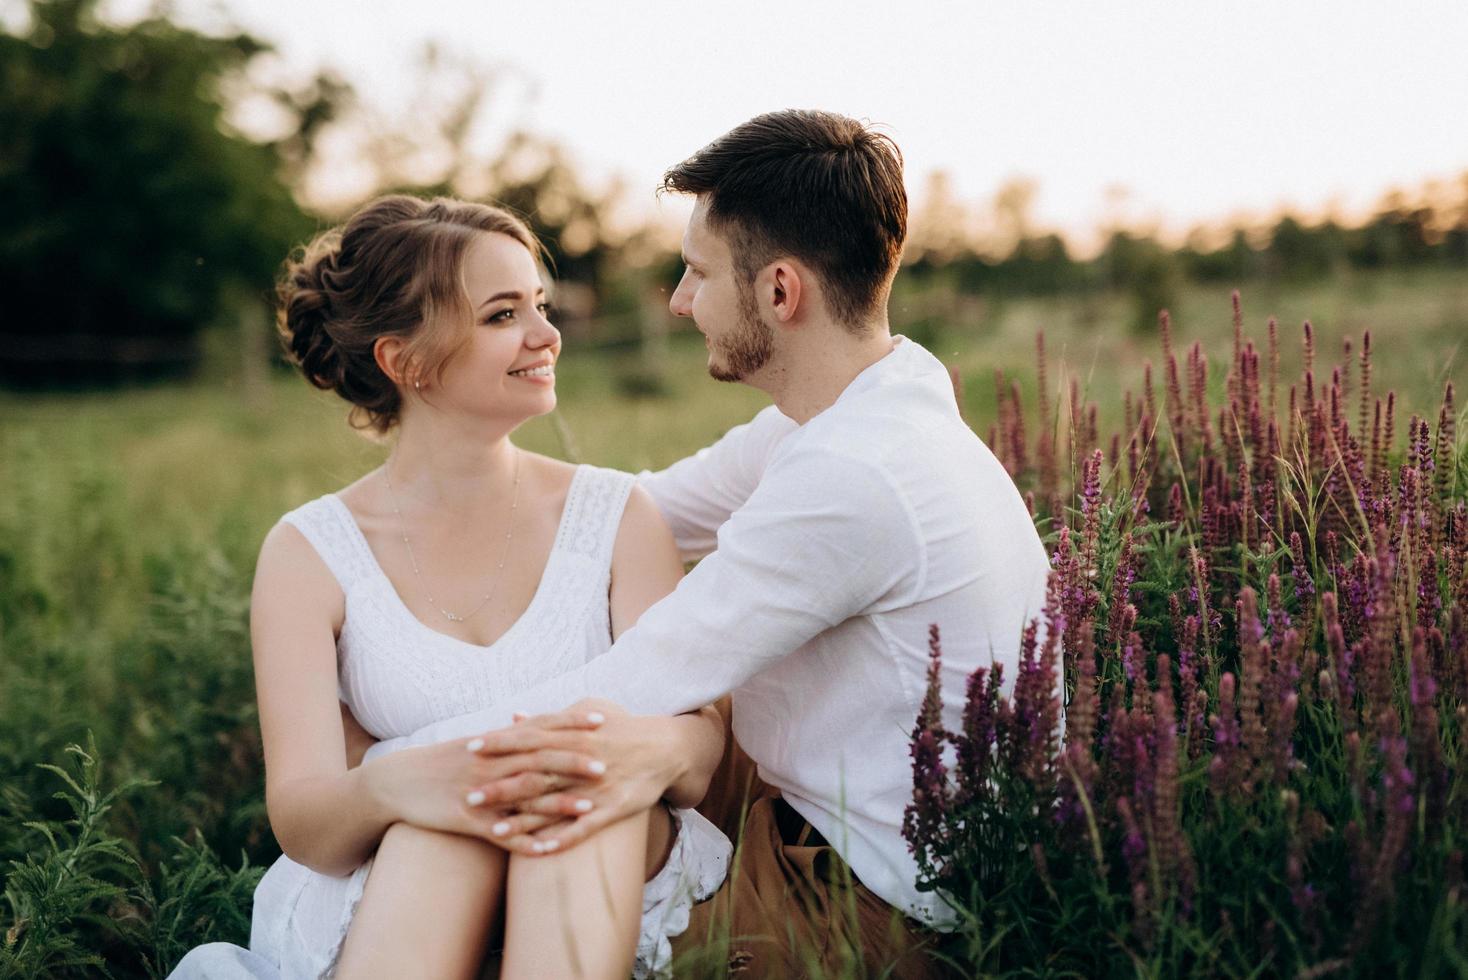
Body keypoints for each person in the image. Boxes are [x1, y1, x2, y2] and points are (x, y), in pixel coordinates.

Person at [353, 110, 1054, 978]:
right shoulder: (853, 407)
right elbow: (631, 513)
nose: (682, 300)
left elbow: (637, 680)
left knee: (561, 821)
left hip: (863, 901)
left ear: (779, 292)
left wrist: (376, 768)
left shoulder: (856, 477)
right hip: (799, 796)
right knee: (582, 786)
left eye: (696, 271)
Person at [170, 195, 732, 980]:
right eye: (504, 315)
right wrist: (409, 784)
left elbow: (701, 746)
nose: (547, 335)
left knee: (574, 806)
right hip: (410, 877)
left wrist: (642, 749)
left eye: (540, 304)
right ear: (404, 362)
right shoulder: (309, 552)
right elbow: (304, 818)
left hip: (607, 853)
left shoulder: (617, 516)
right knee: (445, 827)